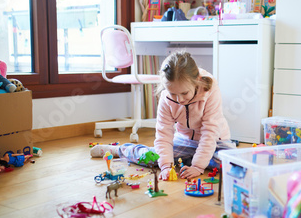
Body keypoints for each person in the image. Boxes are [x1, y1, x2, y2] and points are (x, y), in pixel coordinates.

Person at [91, 51, 235, 180]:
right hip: (184, 141)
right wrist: (165, 165)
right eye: (173, 93)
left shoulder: (210, 90)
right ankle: (119, 150)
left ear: (197, 79)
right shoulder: (166, 98)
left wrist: (198, 166)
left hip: (216, 142)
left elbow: (210, 132)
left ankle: (190, 160)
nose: (179, 99)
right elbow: (163, 134)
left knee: (233, 165)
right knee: (151, 157)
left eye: (184, 93)